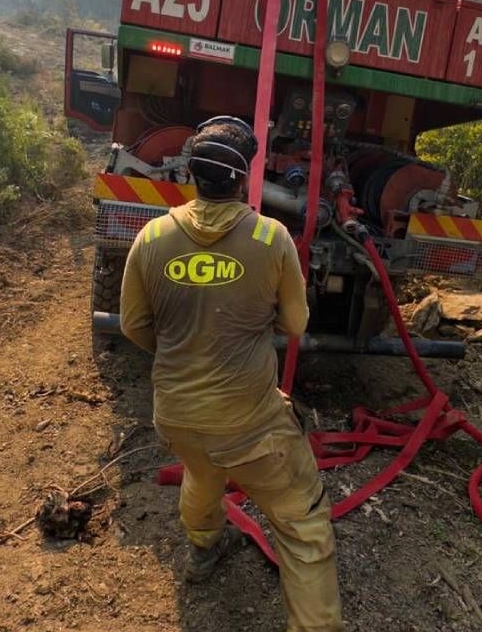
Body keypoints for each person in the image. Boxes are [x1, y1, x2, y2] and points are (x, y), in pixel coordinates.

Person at [118, 116, 344, 631]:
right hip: (250, 424)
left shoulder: (152, 236)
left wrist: (182, 351)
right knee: (304, 524)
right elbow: (295, 324)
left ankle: (204, 548)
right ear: (244, 180)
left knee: (203, 470)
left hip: (176, 416)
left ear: (190, 173)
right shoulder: (271, 236)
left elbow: (133, 325)